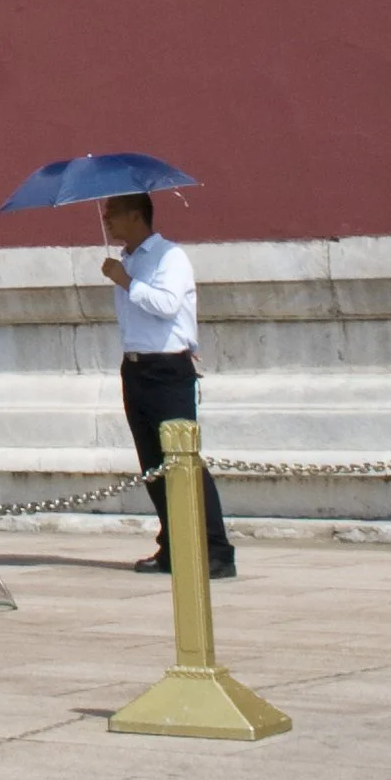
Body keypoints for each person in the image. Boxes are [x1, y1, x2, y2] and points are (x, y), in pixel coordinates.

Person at [101, 192, 235, 577]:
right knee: (153, 465)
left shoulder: (168, 256)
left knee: (183, 461)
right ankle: (174, 545)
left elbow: (166, 305)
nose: (107, 221)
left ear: (137, 216)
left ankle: (215, 549)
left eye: (113, 213)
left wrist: (125, 281)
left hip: (168, 370)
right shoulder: (126, 259)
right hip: (136, 368)